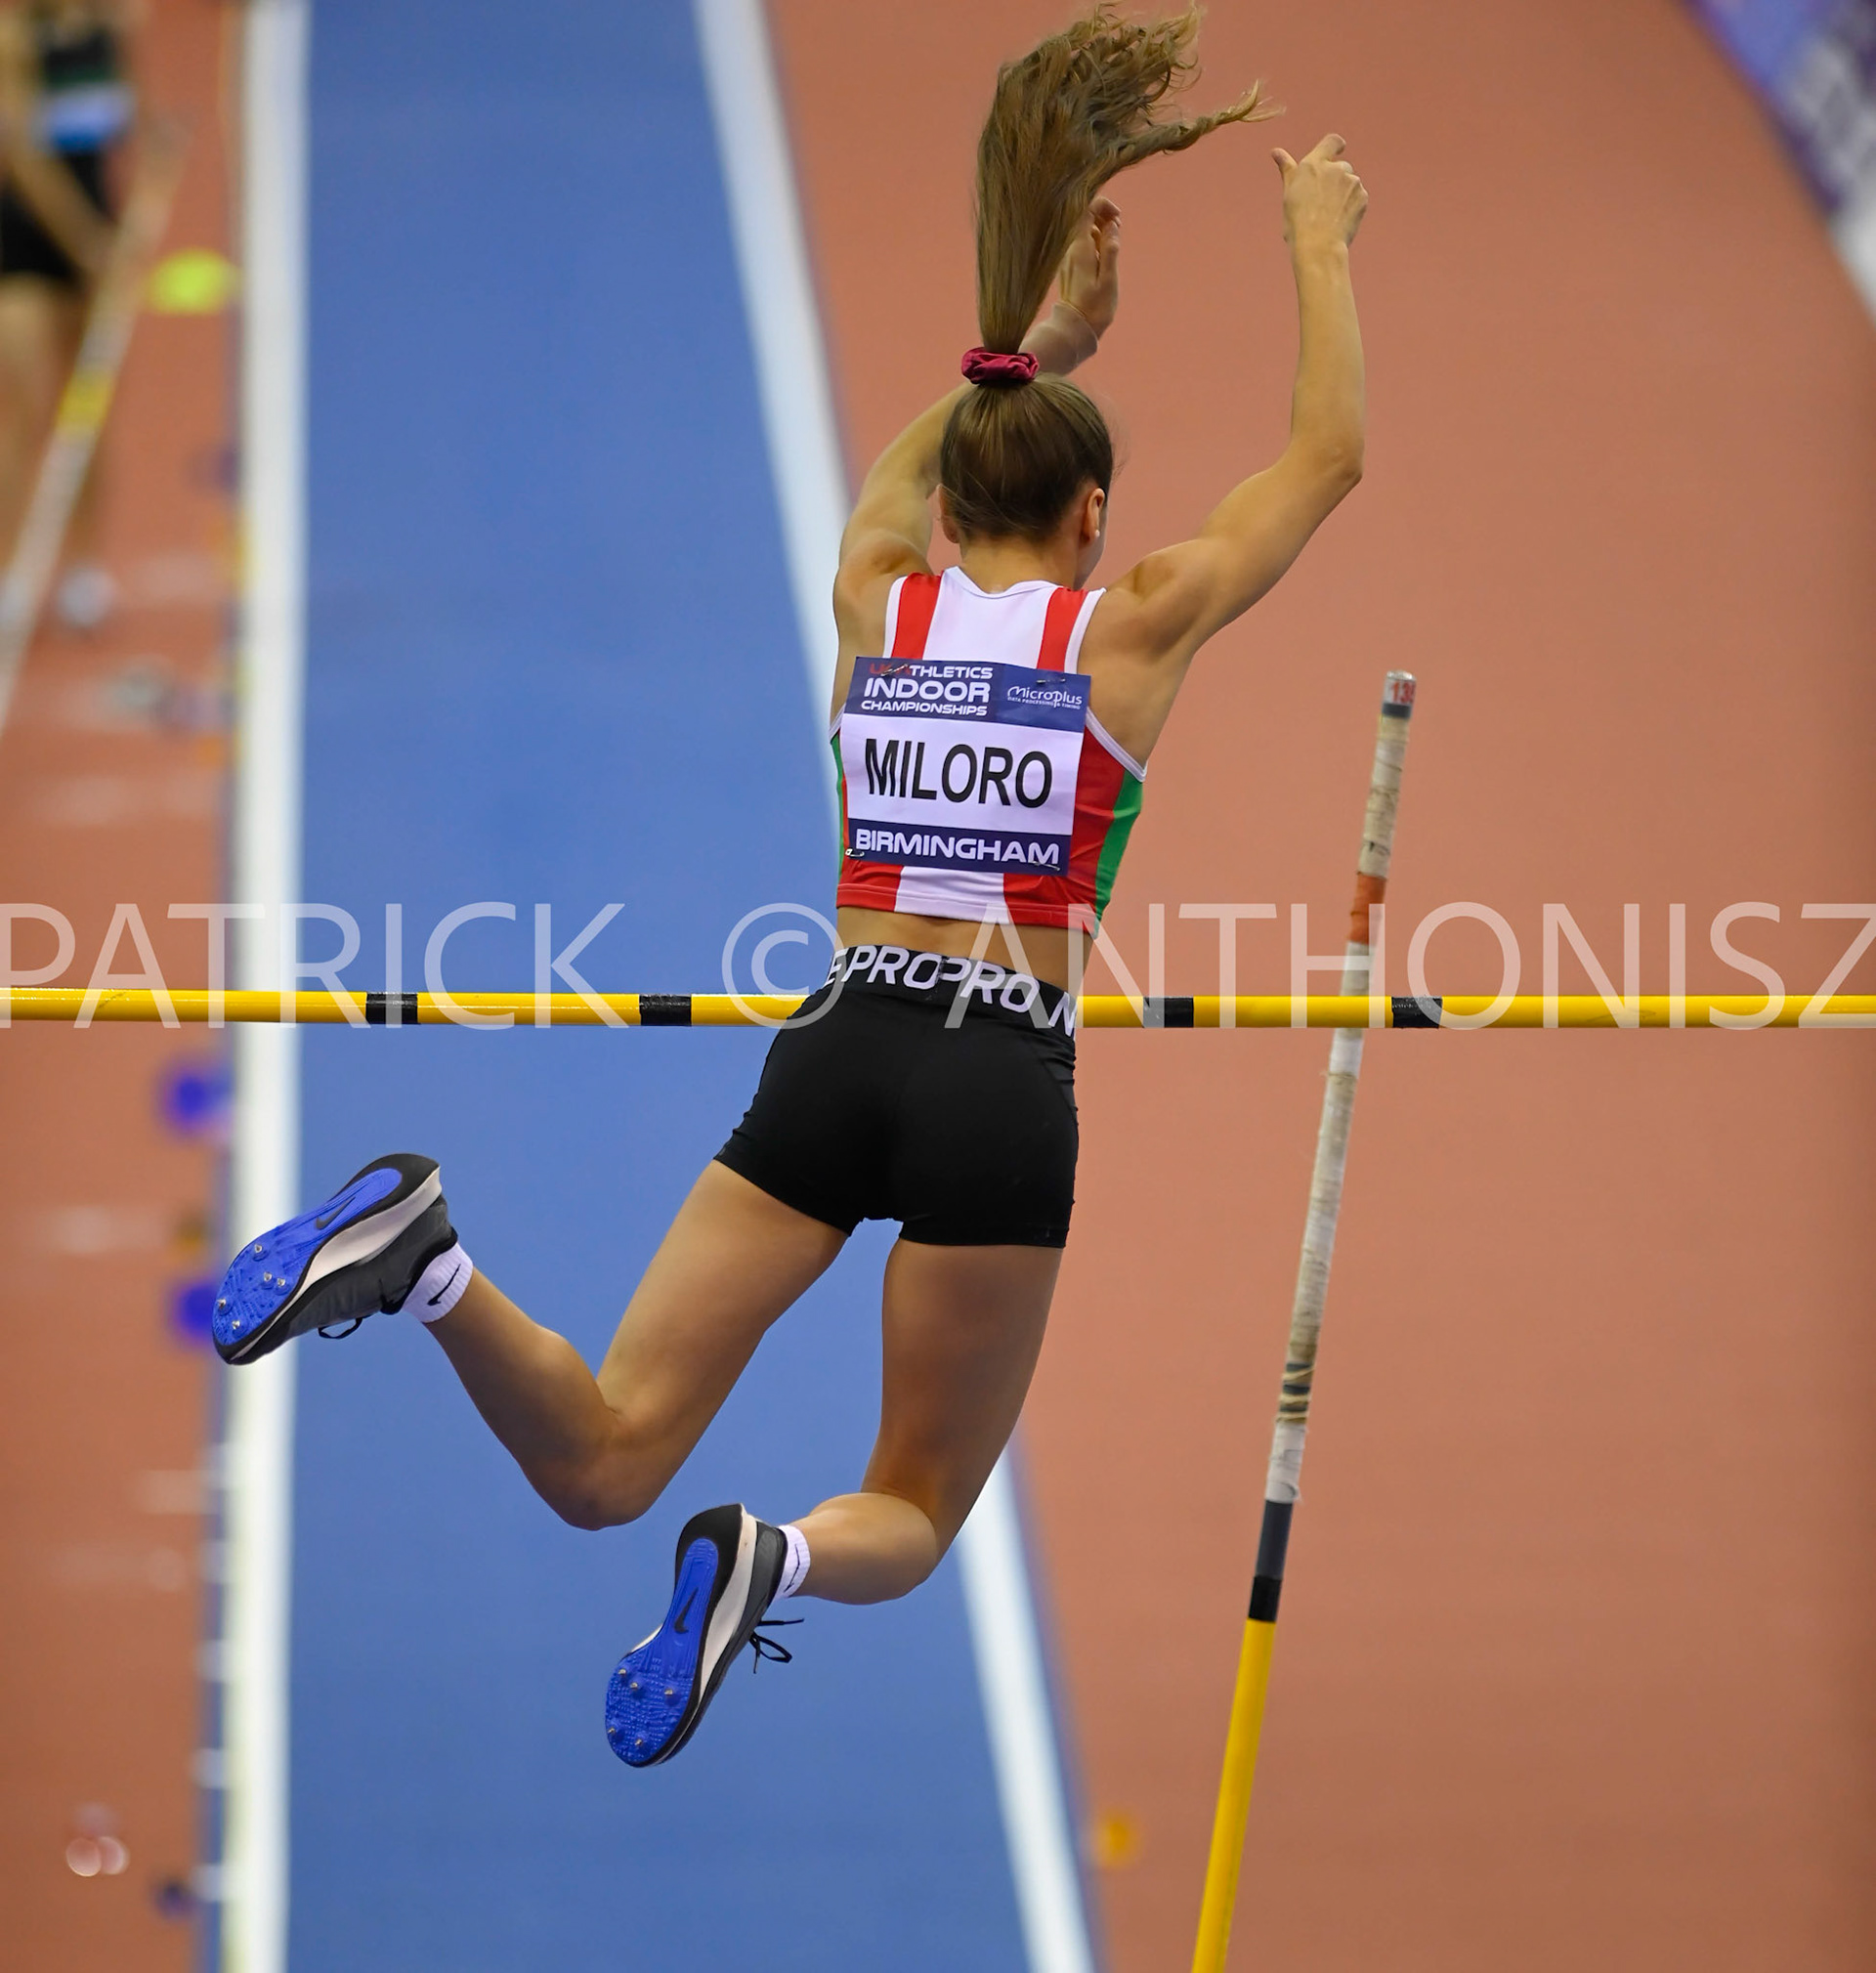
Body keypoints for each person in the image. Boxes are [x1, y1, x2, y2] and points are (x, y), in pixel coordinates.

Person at [211, 6, 1369, 1770]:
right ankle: (780, 1552)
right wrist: (1313, 237)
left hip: (837, 1047)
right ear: (1091, 519)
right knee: (910, 1504)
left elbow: (926, 463)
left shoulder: (869, 599)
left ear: (958, 488)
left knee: (605, 1457)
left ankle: (426, 1261)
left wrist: (1023, 344)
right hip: (999, 1078)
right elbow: (1327, 462)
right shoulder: (1130, 630)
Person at [0, 1, 131, 621]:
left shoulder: (111, 27)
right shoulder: (12, 34)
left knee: (85, 411)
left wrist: (119, 229)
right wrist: (83, 240)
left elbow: (128, 130)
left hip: (94, 242)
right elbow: (22, 154)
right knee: (20, 415)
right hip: (23, 242)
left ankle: (84, 570)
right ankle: (11, 575)